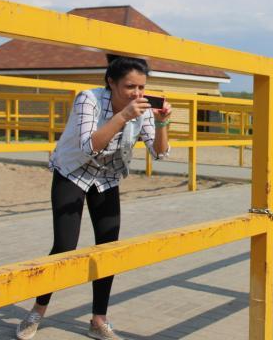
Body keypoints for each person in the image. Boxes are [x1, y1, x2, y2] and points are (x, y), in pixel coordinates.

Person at [16, 55, 172, 340]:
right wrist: (124, 115)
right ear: (111, 83)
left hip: (107, 178)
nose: (137, 94)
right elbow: (90, 146)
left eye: (141, 87)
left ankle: (98, 319)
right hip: (73, 171)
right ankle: (37, 310)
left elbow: (160, 153)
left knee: (108, 249)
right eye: (130, 87)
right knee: (64, 245)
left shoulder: (144, 107)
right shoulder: (87, 99)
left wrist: (161, 125)